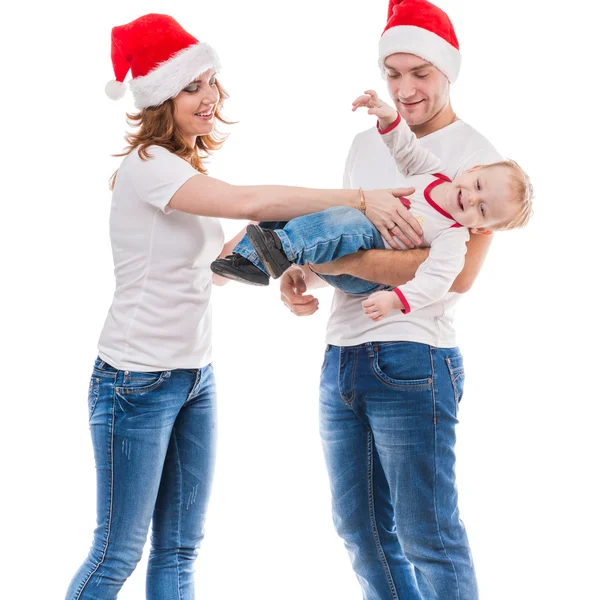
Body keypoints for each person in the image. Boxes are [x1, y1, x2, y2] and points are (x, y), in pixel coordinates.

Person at [65, 13, 417, 600]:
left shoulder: (180, 168)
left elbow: (207, 268)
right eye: (192, 87)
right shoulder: (149, 165)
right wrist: (359, 198)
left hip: (192, 374)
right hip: (135, 380)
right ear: (159, 99)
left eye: (211, 83)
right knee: (116, 552)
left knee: (178, 549)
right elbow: (246, 198)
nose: (210, 98)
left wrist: (272, 258)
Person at [280, 1, 510, 598]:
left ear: (448, 72)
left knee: (427, 535)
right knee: (360, 532)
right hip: (342, 354)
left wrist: (333, 260)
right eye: (393, 74)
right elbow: (356, 237)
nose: (405, 89)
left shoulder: (479, 159)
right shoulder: (366, 142)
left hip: (413, 357)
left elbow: (457, 276)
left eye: (420, 74)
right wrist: (304, 270)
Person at [211, 90, 532, 323]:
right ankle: (247, 260)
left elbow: (437, 282)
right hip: (346, 240)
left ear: (481, 228)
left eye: (483, 210)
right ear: (473, 171)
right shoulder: (432, 174)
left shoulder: (452, 237)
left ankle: (277, 250)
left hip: (363, 276)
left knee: (350, 219)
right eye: (477, 187)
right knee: (300, 208)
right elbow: (405, 148)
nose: (472, 199)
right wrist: (388, 116)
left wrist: (396, 300)